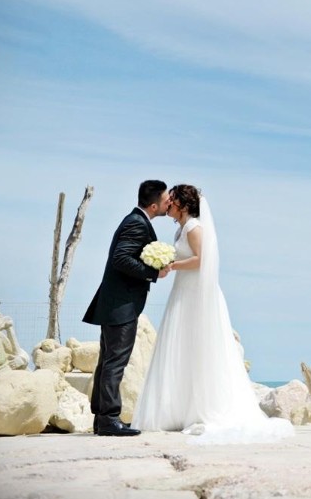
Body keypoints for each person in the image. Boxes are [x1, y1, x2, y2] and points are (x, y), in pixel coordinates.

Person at [132, 184, 294, 444]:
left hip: (197, 293)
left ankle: (201, 407)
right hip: (183, 292)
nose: (168, 205)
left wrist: (171, 265)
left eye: (171, 201)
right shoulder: (180, 228)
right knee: (181, 348)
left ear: (183, 205)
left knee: (200, 347)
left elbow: (201, 259)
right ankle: (178, 409)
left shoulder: (194, 227)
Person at [83, 180, 171, 437]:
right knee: (115, 362)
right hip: (121, 304)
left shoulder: (135, 220)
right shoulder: (136, 223)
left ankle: (102, 419)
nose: (169, 203)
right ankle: (109, 419)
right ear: (154, 205)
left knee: (108, 360)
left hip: (115, 303)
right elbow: (121, 258)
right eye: (166, 200)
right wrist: (152, 272)